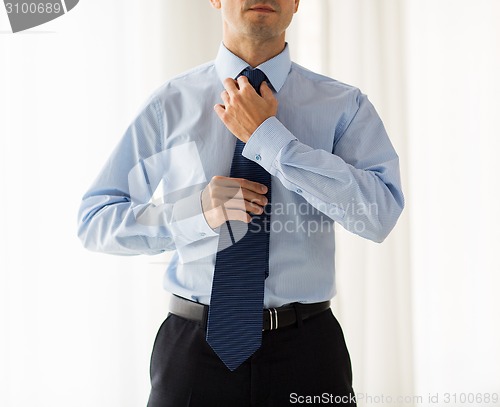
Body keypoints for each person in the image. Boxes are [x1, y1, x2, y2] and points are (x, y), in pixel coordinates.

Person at [77, 0, 404, 405]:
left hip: (309, 354)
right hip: (194, 354)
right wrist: (196, 213)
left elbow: (379, 215)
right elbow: (95, 220)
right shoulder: (170, 104)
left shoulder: (343, 107)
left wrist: (271, 138)